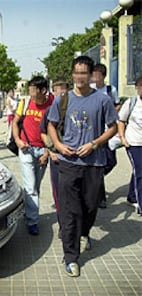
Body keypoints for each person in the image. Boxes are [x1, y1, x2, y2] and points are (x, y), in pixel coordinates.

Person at [47, 56, 118, 277]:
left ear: (91, 75)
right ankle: (71, 257)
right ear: (72, 74)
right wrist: (58, 145)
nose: (80, 77)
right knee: (70, 212)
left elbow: (113, 127)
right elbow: (50, 125)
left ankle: (85, 232)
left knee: (90, 206)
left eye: (84, 73)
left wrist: (95, 144)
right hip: (69, 163)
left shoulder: (102, 99)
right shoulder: (62, 100)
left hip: (94, 163)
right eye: (76, 72)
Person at [12, 76, 53, 236]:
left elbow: (55, 130)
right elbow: (15, 123)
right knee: (30, 187)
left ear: (43, 90)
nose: (30, 93)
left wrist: (48, 152)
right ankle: (32, 221)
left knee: (35, 186)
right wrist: (17, 140)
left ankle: (29, 211)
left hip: (43, 151)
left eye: (33, 90)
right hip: (26, 149)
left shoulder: (52, 104)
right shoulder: (25, 103)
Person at [40, 78, 70, 238]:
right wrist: (51, 151)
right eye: (57, 90)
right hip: (57, 158)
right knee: (59, 194)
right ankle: (64, 226)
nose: (60, 93)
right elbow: (43, 132)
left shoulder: (75, 108)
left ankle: (79, 228)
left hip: (75, 159)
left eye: (63, 89)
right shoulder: (50, 110)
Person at [91, 63, 120, 208]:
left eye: (97, 74)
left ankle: (96, 177)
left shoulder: (110, 90)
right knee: (99, 163)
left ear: (103, 76)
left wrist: (111, 113)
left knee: (111, 161)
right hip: (96, 133)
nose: (95, 77)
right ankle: (100, 198)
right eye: (93, 74)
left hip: (109, 132)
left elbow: (117, 104)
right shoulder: (91, 90)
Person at [118, 76, 142, 215]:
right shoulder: (131, 103)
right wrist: (122, 138)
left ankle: (132, 196)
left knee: (138, 170)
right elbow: (121, 121)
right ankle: (140, 204)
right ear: (137, 88)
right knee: (140, 171)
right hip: (133, 143)